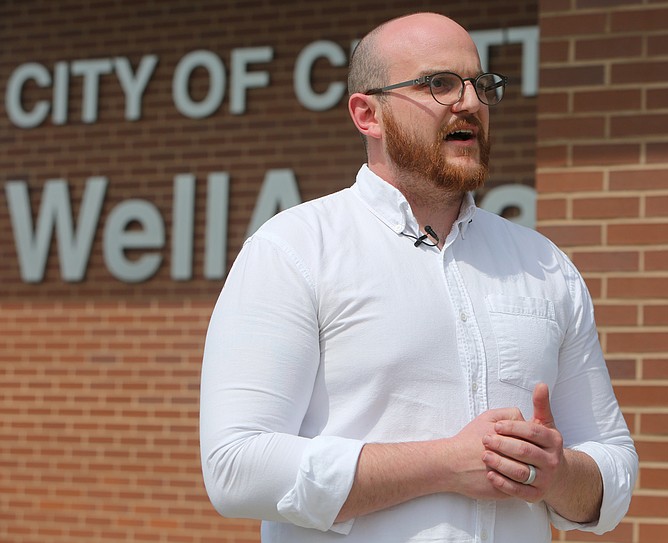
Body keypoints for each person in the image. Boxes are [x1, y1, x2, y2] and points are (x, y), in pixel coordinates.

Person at [200, 11, 637, 543]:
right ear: (368, 114)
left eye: (480, 85)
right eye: (439, 84)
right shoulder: (293, 250)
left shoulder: (544, 266)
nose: (470, 103)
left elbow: (613, 469)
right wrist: (445, 464)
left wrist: (556, 473)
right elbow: (235, 467)